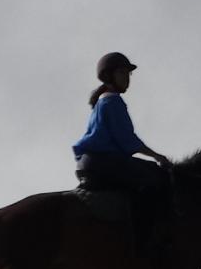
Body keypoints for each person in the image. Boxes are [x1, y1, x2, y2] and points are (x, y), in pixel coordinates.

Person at [72, 52, 173, 256]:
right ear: (109, 76)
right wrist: (157, 156)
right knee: (152, 180)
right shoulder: (112, 101)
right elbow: (127, 140)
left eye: (129, 74)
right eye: (122, 72)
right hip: (102, 162)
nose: (127, 78)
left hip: (94, 161)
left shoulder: (103, 101)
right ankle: (144, 244)